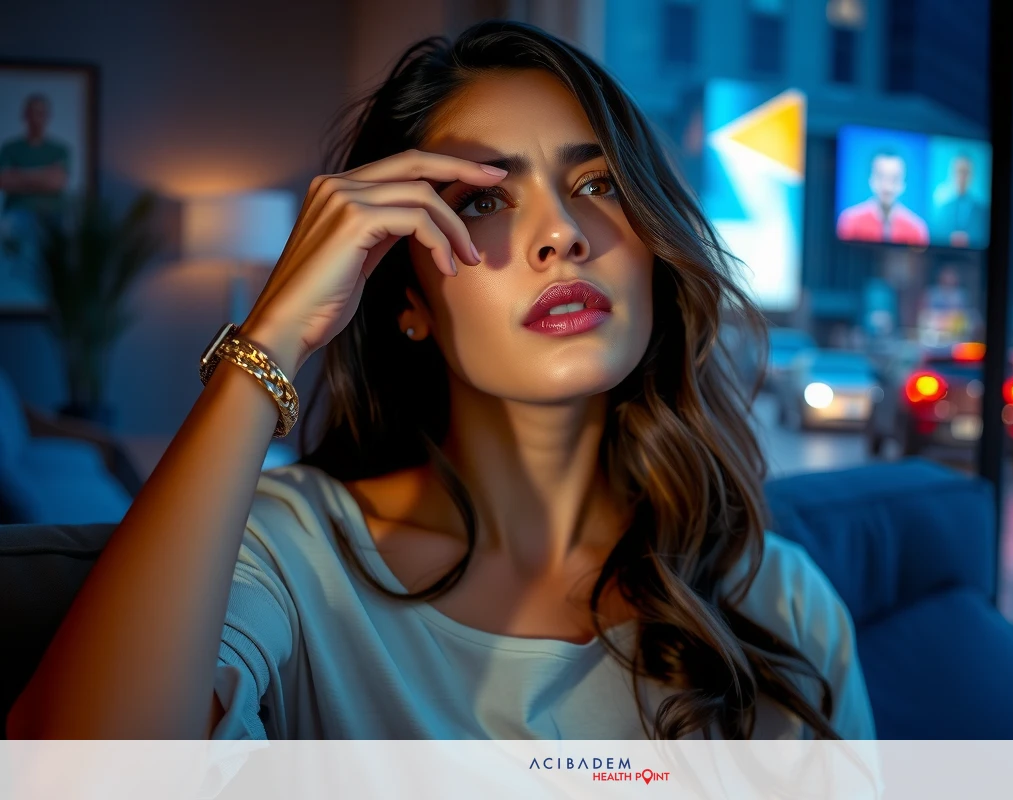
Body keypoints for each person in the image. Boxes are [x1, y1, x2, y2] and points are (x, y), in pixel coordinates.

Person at [6, 20, 874, 742]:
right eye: (483, 201)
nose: (562, 234)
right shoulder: (290, 555)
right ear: (407, 298)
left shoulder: (781, 602)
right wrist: (271, 336)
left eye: (598, 183)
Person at [0, 93, 71, 220]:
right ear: (25, 115)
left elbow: (56, 183)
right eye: (32, 113)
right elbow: (4, 182)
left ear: (47, 117)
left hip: (52, 213)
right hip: (17, 212)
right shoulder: (10, 148)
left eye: (41, 113)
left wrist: (18, 174)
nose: (36, 118)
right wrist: (45, 174)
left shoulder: (59, 150)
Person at [836, 149, 929, 246]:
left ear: (903, 184)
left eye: (894, 179)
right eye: (881, 177)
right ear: (871, 179)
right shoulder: (850, 220)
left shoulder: (916, 228)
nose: (887, 187)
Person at [931, 154, 987, 248]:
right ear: (952, 174)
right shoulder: (943, 210)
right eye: (959, 172)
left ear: (972, 175)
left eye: (966, 172)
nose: (962, 177)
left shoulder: (983, 212)